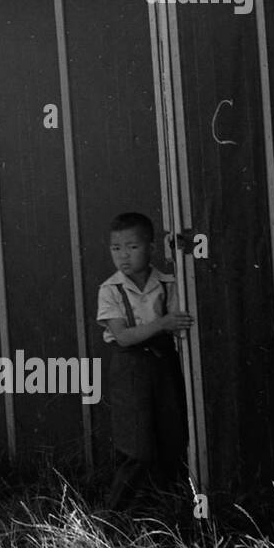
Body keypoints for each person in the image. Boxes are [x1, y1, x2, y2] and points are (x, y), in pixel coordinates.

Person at [95, 212, 194, 515]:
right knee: (135, 447)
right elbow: (122, 337)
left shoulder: (169, 283)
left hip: (163, 364)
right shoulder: (110, 289)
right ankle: (115, 519)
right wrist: (162, 323)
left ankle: (170, 513)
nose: (123, 256)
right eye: (116, 248)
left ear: (151, 247)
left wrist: (168, 323)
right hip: (130, 368)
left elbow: (181, 323)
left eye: (132, 247)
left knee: (172, 439)